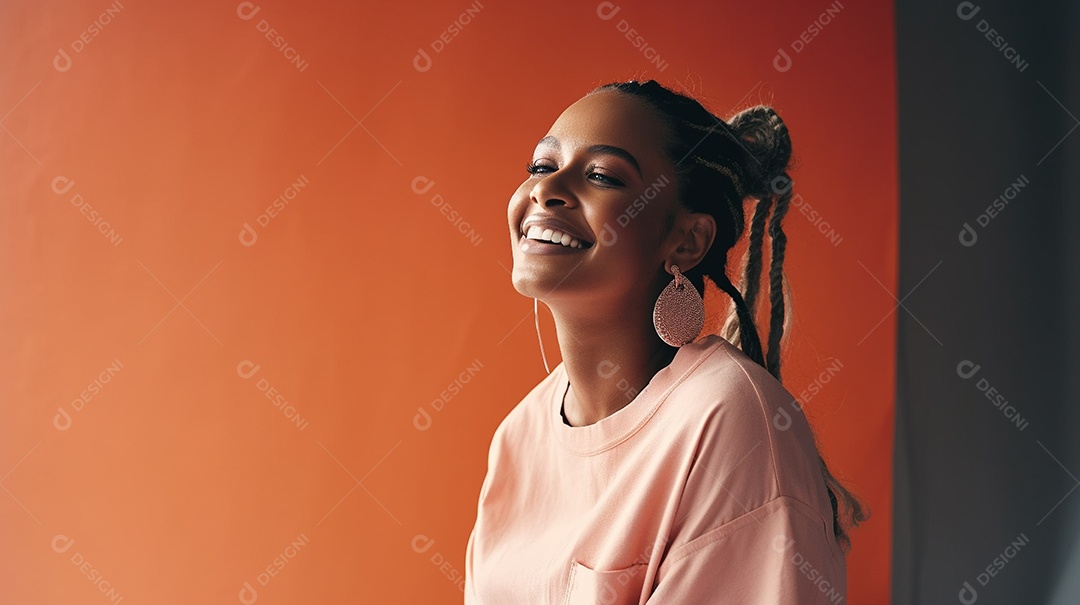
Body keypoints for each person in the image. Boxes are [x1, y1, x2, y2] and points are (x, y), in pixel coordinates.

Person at [464, 79, 868, 604]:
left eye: (602, 175)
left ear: (687, 240)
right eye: (541, 166)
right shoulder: (519, 436)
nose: (546, 189)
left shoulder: (727, 419)